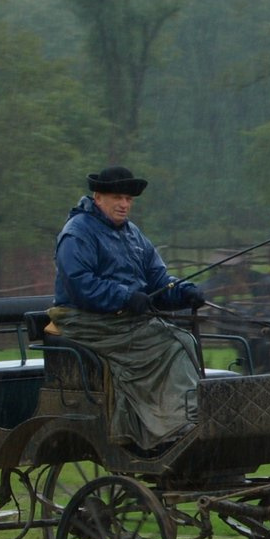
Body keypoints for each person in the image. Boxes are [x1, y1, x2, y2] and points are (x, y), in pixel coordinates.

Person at [50, 165, 206, 455]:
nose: (124, 205)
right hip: (86, 321)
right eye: (117, 198)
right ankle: (175, 426)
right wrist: (125, 297)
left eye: (129, 200)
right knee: (173, 343)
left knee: (183, 339)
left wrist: (184, 292)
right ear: (98, 197)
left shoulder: (133, 234)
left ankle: (174, 420)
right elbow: (80, 285)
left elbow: (159, 281)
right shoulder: (77, 233)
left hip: (125, 319)